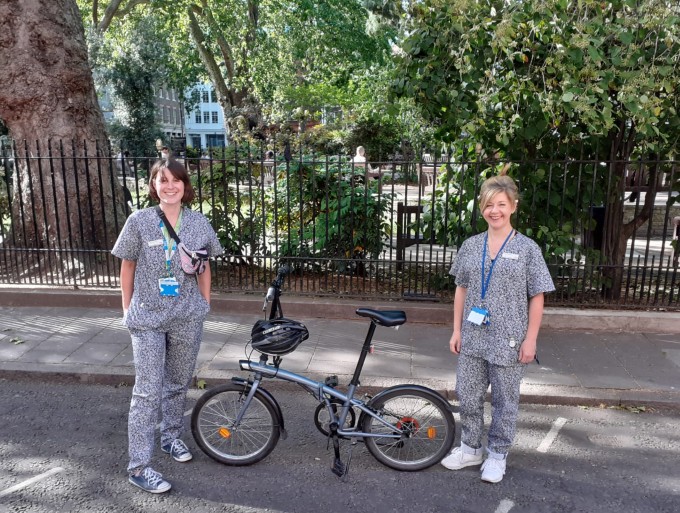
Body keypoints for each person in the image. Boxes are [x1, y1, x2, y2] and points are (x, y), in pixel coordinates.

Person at [112, 158, 223, 493]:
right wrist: (127, 309)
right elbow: (127, 266)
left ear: (184, 186)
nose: (170, 186)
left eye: (176, 180)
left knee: (177, 383)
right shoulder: (140, 221)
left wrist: (205, 303)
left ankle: (171, 437)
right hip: (147, 316)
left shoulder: (198, 222)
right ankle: (139, 467)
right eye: (163, 180)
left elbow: (204, 265)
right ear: (154, 185)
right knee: (146, 391)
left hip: (186, 315)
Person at [441, 171, 555, 483]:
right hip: (473, 336)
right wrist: (456, 330)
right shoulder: (471, 245)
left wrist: (530, 340)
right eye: (490, 204)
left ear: (513, 206)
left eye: (501, 204)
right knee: (468, 395)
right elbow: (461, 289)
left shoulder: (529, 249)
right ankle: (470, 448)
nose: (495, 210)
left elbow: (538, 296)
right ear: (482, 209)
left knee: (505, 402)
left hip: (509, 339)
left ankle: (497, 455)